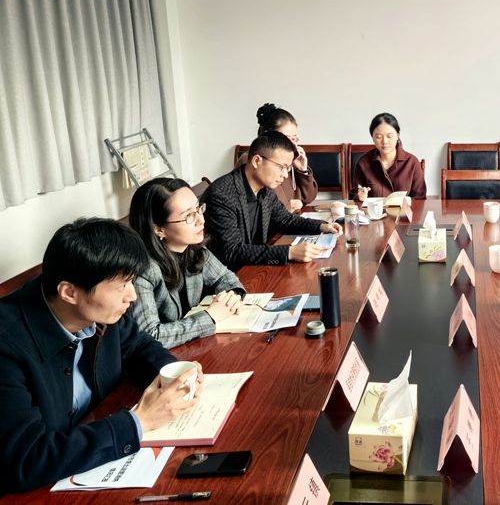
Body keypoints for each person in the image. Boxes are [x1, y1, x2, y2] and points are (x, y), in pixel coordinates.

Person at [0, 218, 202, 494]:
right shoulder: (7, 346)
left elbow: (138, 345)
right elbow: (26, 461)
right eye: (122, 285)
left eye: (131, 281)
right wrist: (140, 420)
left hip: (92, 453)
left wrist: (175, 377)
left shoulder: (98, 310)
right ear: (69, 292)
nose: (132, 296)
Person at [128, 178, 245, 348]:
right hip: (164, 359)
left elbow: (225, 277)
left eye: (198, 209)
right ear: (159, 229)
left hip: (194, 347)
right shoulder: (143, 270)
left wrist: (232, 296)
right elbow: (150, 335)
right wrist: (210, 317)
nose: (201, 220)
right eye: (189, 216)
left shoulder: (193, 248)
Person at [203, 131, 342, 272]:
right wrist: (289, 252)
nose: (285, 174)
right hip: (227, 277)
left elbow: (285, 219)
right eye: (281, 167)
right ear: (257, 161)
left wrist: (321, 226)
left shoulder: (265, 189)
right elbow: (232, 252)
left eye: (288, 168)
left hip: (253, 269)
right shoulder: (221, 195)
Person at [244, 103, 318, 213]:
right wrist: (286, 211)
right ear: (268, 136)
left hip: (291, 220)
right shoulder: (258, 162)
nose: (293, 145)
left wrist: (303, 171)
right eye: (287, 139)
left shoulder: (289, 159)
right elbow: (258, 214)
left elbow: (308, 198)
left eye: (294, 139)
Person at [355, 112, 426, 201]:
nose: (384, 141)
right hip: (374, 210)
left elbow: (420, 199)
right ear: (372, 137)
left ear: (398, 135)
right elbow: (354, 195)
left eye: (389, 136)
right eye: (378, 137)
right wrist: (359, 197)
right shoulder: (363, 162)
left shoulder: (412, 162)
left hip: (404, 210)